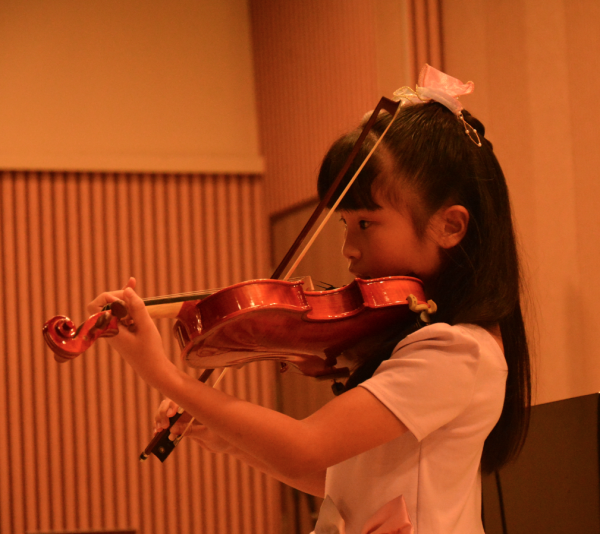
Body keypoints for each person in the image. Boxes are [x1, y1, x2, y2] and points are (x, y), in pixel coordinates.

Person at [89, 65, 531, 534]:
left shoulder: (458, 351)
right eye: (345, 223)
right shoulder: (415, 340)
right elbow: (340, 481)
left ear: (450, 226)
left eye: (366, 223)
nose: (348, 249)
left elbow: (308, 446)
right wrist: (229, 441)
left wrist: (164, 375)